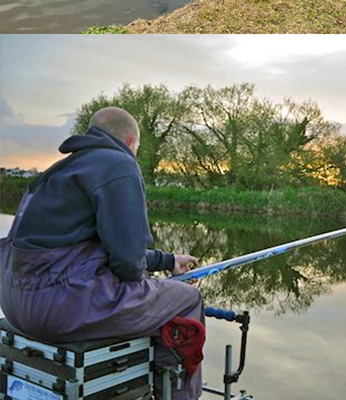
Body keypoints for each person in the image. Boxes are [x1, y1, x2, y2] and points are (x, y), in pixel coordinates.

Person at [0, 107, 204, 400]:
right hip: (58, 306)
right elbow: (129, 263)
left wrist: (168, 261)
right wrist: (153, 283)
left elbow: (98, 250)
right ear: (131, 142)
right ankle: (174, 394)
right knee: (187, 299)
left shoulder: (62, 170)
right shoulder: (118, 163)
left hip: (14, 301)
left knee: (152, 291)